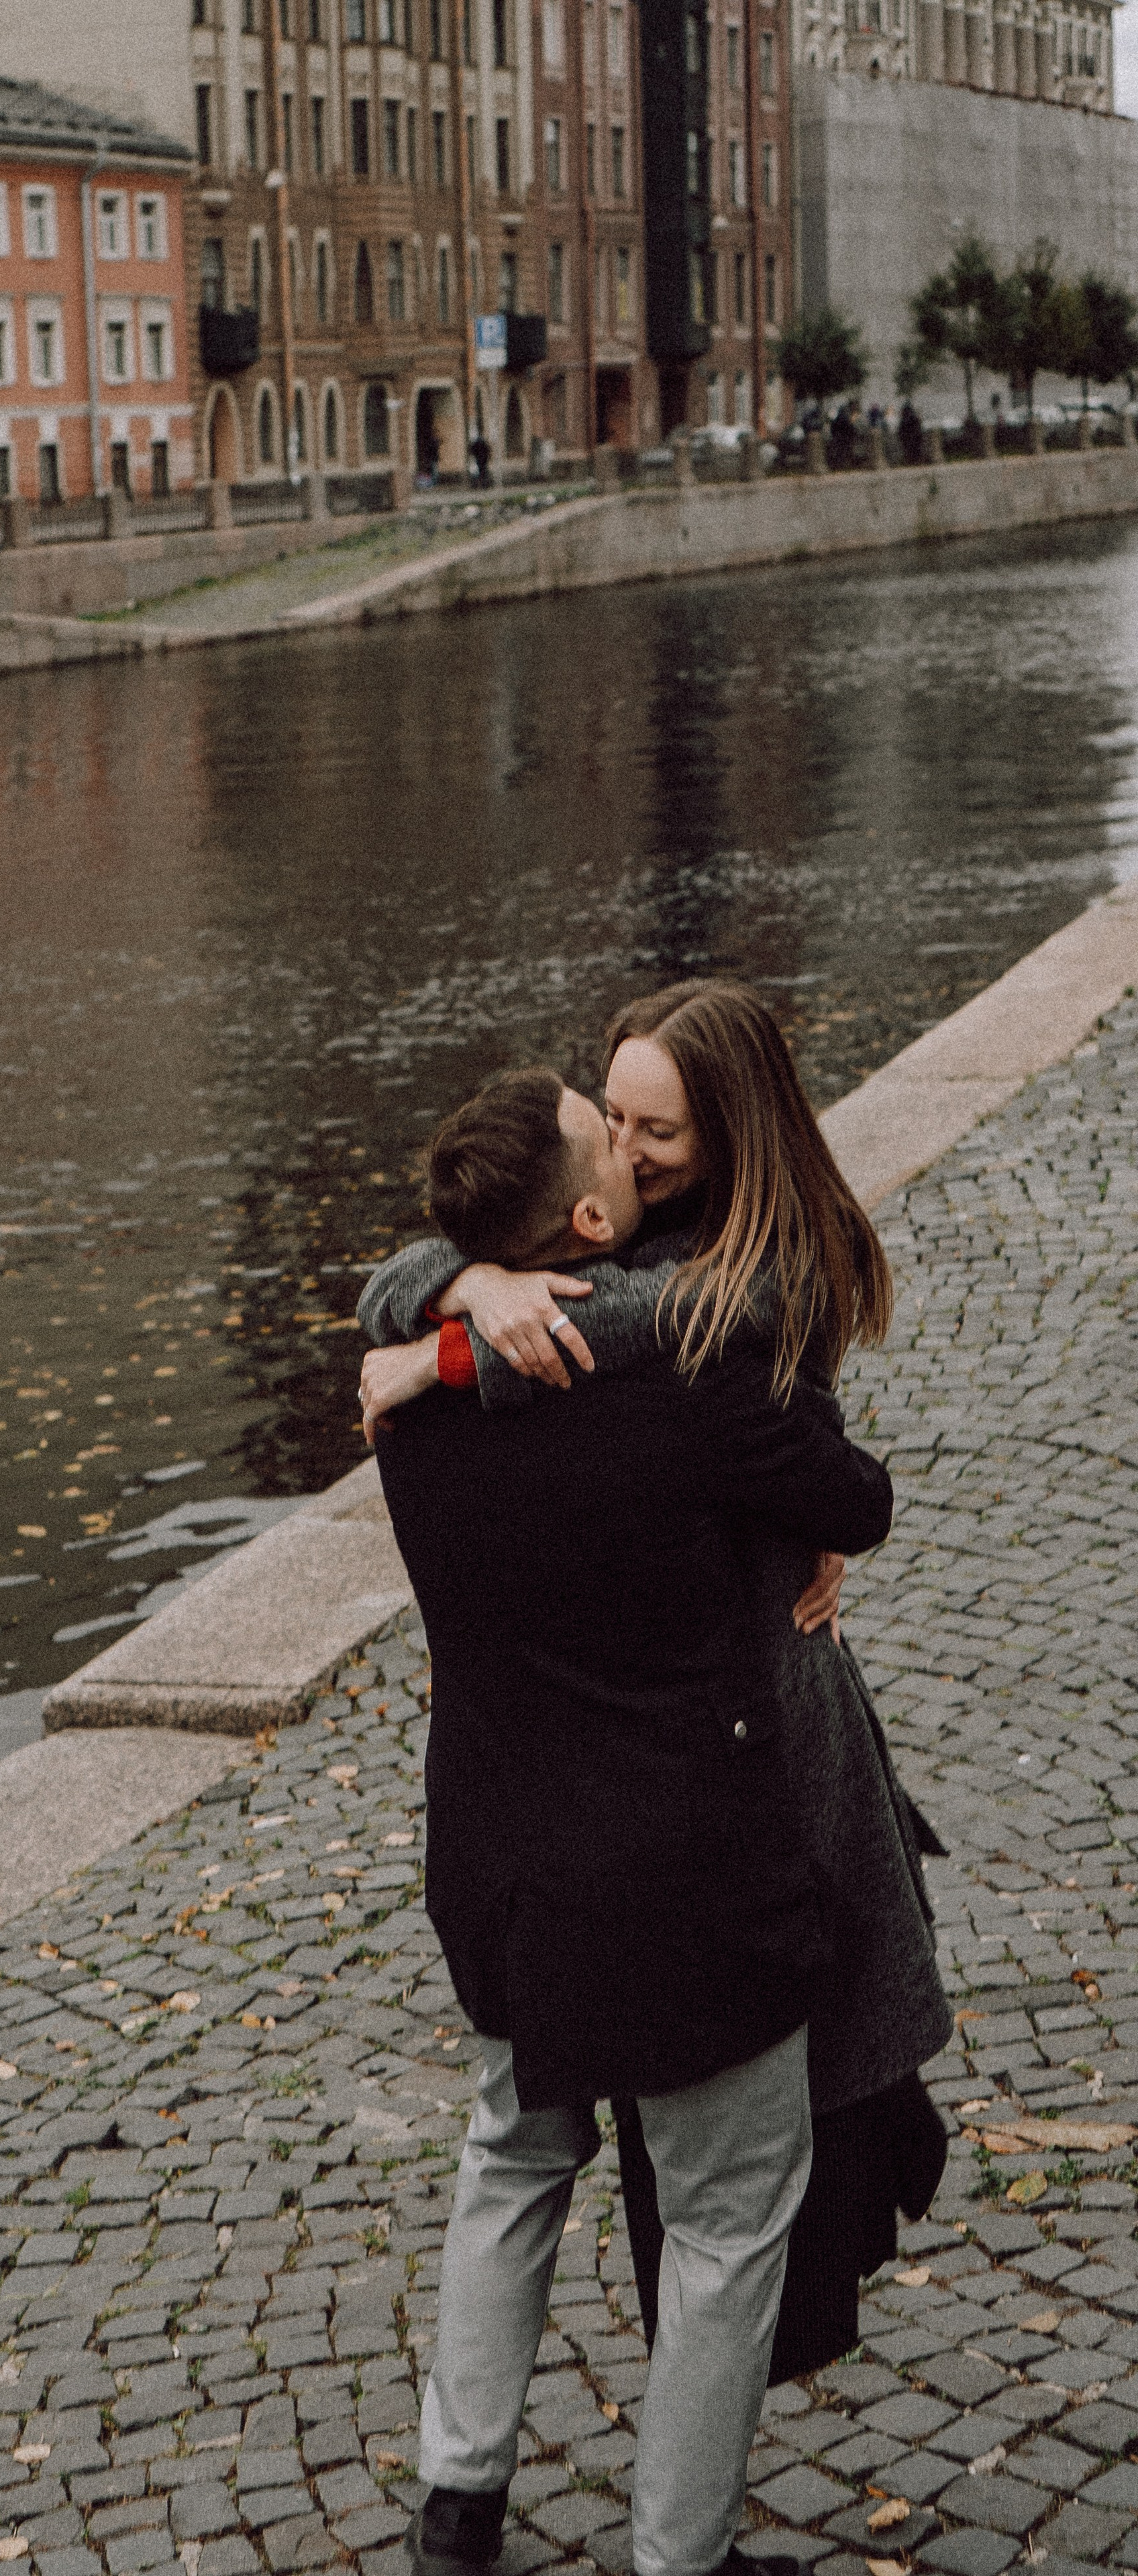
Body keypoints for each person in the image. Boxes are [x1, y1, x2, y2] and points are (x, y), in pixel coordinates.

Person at [361, 989, 951, 2576]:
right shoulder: (696, 1376)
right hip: (683, 1872)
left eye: (650, 1128)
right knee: (726, 2218)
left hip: (500, 1862)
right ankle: (674, 2557)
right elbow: (848, 1483)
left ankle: (455, 2503)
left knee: (510, 2150)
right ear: (577, 1208)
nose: (625, 1153)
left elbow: (414, 1300)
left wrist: (443, 1324)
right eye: (603, 1133)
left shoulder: (416, 1402)